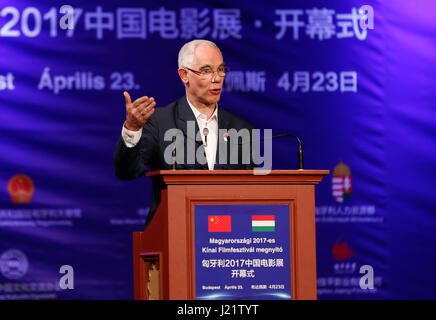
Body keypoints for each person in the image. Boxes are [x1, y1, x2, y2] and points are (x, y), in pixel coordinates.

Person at [114, 39, 256, 229]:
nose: (217, 78)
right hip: (175, 233)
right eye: (206, 71)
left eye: (221, 69)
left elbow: (252, 193)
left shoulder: (242, 129)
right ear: (184, 75)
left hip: (228, 240)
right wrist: (132, 129)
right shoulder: (160, 122)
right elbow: (127, 172)